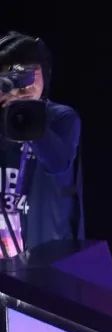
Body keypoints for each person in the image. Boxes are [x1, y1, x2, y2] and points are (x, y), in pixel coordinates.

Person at [0, 31, 83, 256]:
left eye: (28, 73)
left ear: (45, 73)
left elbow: (58, 163)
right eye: (11, 75)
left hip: (41, 254)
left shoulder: (60, 118)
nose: (21, 85)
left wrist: (27, 115)